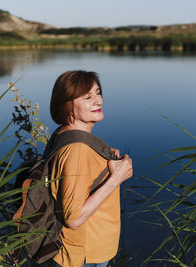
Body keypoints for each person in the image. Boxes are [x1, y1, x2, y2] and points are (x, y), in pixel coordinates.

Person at [48, 70, 133, 267]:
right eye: (87, 97)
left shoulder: (64, 133)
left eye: (97, 92)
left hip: (86, 250)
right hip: (85, 255)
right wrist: (116, 178)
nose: (98, 101)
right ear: (68, 106)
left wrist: (100, 157)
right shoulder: (77, 150)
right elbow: (74, 218)